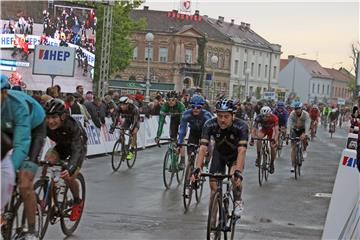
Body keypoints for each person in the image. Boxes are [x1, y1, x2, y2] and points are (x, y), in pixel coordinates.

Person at [1, 75, 47, 239]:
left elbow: (21, 145)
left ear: (4, 93)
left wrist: (10, 171)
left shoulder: (17, 106)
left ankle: (31, 231)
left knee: (25, 182)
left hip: (33, 129)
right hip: (6, 129)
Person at [191, 98, 248, 218]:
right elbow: (203, 147)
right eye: (220, 116)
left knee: (234, 178)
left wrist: (238, 171)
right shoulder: (210, 124)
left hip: (234, 156)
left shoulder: (241, 126)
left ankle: (237, 201)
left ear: (233, 115)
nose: (222, 120)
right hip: (219, 155)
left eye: (226, 116)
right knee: (214, 188)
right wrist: (198, 168)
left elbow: (242, 150)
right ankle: (212, 227)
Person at [44, 98, 87, 222]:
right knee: (48, 161)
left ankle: (77, 201)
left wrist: (70, 168)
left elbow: (76, 150)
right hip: (62, 146)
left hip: (78, 148)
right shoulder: (45, 124)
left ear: (63, 116)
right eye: (48, 117)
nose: (50, 121)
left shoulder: (72, 126)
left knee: (69, 176)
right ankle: (49, 199)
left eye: (54, 117)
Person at [177, 95, 214, 170]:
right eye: (193, 107)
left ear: (202, 107)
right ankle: (190, 165)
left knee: (210, 145)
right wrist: (179, 143)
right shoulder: (186, 114)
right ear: (190, 106)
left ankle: (206, 163)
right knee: (190, 153)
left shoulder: (207, 115)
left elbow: (211, 131)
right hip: (193, 132)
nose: (195, 109)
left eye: (198, 107)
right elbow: (182, 130)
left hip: (205, 132)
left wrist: (209, 144)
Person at [155, 91, 186, 168]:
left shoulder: (181, 106)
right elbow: (161, 123)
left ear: (176, 100)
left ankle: (182, 160)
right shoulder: (164, 106)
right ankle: (173, 160)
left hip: (182, 120)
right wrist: (158, 136)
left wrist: (181, 136)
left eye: (173, 100)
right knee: (173, 138)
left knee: (181, 140)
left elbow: (183, 124)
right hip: (174, 120)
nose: (170, 102)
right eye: (169, 100)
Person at [249, 106, 279, 174]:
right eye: (263, 116)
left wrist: (275, 140)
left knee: (272, 146)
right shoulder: (258, 117)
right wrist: (252, 139)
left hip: (272, 131)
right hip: (263, 130)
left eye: (266, 116)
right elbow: (254, 129)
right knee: (259, 137)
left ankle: (272, 163)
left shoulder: (274, 118)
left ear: (270, 114)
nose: (264, 118)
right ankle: (259, 155)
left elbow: (276, 131)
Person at [287, 101, 311, 173]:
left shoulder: (306, 114)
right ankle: (292, 165)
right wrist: (288, 133)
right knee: (293, 148)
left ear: (301, 109)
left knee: (304, 138)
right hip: (295, 129)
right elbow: (289, 123)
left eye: (298, 108)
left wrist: (306, 133)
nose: (297, 110)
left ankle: (304, 150)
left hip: (303, 129)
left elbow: (307, 124)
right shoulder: (292, 114)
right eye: (295, 109)